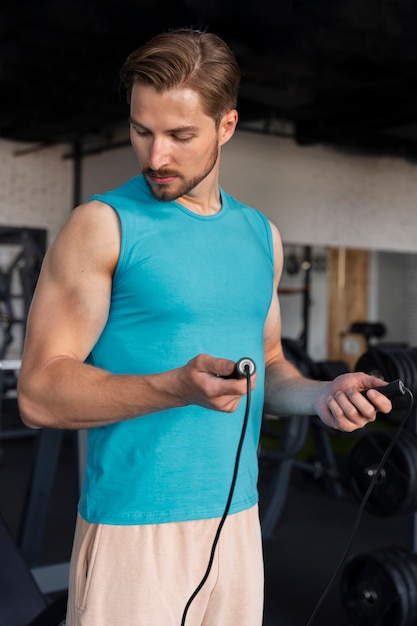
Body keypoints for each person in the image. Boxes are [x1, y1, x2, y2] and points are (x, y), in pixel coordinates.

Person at [17, 27, 392, 626]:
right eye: (142, 130)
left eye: (180, 135)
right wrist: (175, 386)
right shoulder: (102, 224)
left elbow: (268, 365)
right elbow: (38, 394)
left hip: (235, 522)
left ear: (227, 126)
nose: (155, 156)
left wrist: (321, 395)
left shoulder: (260, 236)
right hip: (134, 529)